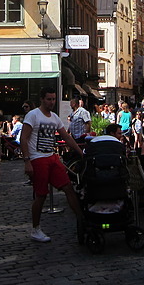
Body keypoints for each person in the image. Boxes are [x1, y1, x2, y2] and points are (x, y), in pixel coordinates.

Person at [21, 87, 84, 243]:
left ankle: (82, 219)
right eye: (49, 99)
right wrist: (27, 161)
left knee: (68, 187)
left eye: (53, 99)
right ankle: (36, 228)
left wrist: (80, 152)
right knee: (41, 195)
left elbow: (66, 137)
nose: (51, 102)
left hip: (51, 156)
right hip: (37, 158)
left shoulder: (54, 117)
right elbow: (24, 138)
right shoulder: (33, 115)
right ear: (42, 99)